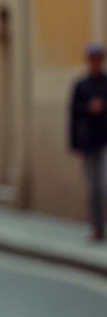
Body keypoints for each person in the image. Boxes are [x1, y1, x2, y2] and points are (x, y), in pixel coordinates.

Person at [69, 43, 107, 241]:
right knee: (93, 188)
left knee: (104, 185)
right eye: (92, 58)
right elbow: (73, 115)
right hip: (89, 142)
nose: (95, 62)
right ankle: (97, 228)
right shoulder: (81, 85)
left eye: (98, 58)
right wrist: (74, 144)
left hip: (104, 141)